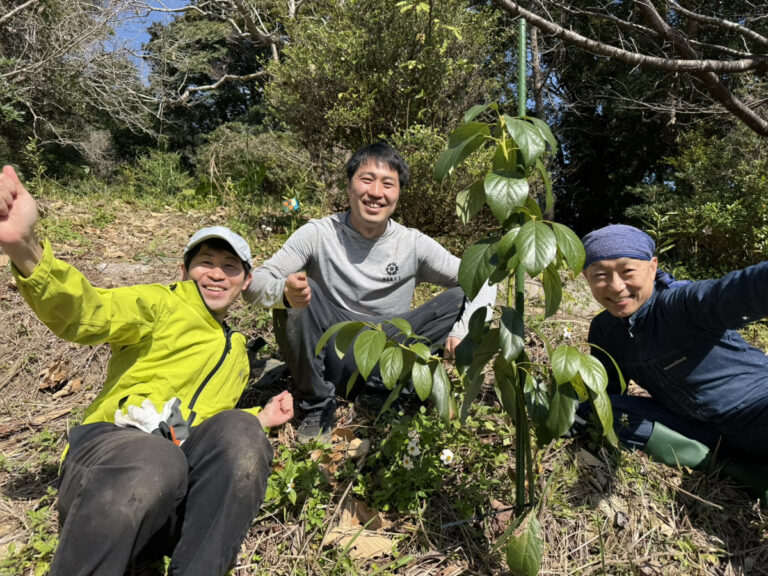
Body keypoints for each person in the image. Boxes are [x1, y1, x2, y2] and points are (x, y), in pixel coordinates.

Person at [0, 164, 294, 576]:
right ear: (184, 271)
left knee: (242, 434)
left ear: (245, 281)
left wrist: (258, 418)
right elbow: (87, 312)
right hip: (115, 468)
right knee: (157, 458)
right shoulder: (160, 303)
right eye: (205, 261)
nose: (216, 273)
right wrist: (25, 248)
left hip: (171, 494)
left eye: (230, 267)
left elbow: (200, 427)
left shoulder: (238, 353)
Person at [245, 142, 495, 442]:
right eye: (366, 179)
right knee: (299, 291)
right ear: (349, 186)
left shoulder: (412, 243)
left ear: (398, 194)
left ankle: (384, 393)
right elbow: (256, 283)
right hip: (334, 351)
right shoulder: (318, 234)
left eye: (388, 184)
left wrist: (463, 328)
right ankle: (316, 404)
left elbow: (482, 278)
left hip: (389, 353)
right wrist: (283, 292)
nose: (376, 192)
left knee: (457, 300)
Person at [581, 223, 768, 499]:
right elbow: (606, 393)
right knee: (607, 411)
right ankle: (734, 470)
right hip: (698, 429)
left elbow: (735, 292)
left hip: (754, 412)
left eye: (627, 271)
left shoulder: (680, 304)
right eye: (600, 275)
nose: (616, 287)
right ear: (586, 277)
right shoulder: (604, 330)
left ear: (652, 267)